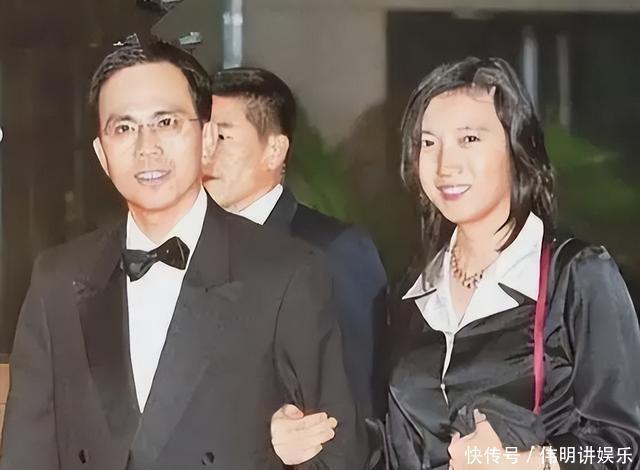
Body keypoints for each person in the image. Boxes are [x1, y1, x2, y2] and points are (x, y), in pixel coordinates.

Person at [0, 37, 362, 470]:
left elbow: (338, 452)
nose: (146, 147)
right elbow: (26, 451)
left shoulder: (285, 272)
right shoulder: (58, 278)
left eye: (166, 122)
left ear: (207, 139)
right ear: (102, 154)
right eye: (124, 128)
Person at [269, 57, 640, 469]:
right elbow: (389, 447)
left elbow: (623, 447)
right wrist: (306, 438)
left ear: (517, 149)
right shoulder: (414, 292)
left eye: (469, 139)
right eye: (429, 143)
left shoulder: (576, 275)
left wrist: (528, 463)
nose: (445, 165)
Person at [201, 67, 388, 422]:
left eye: (222, 137)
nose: (206, 153)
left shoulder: (334, 249)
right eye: (201, 137)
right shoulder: (189, 247)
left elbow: (362, 401)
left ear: (274, 150)